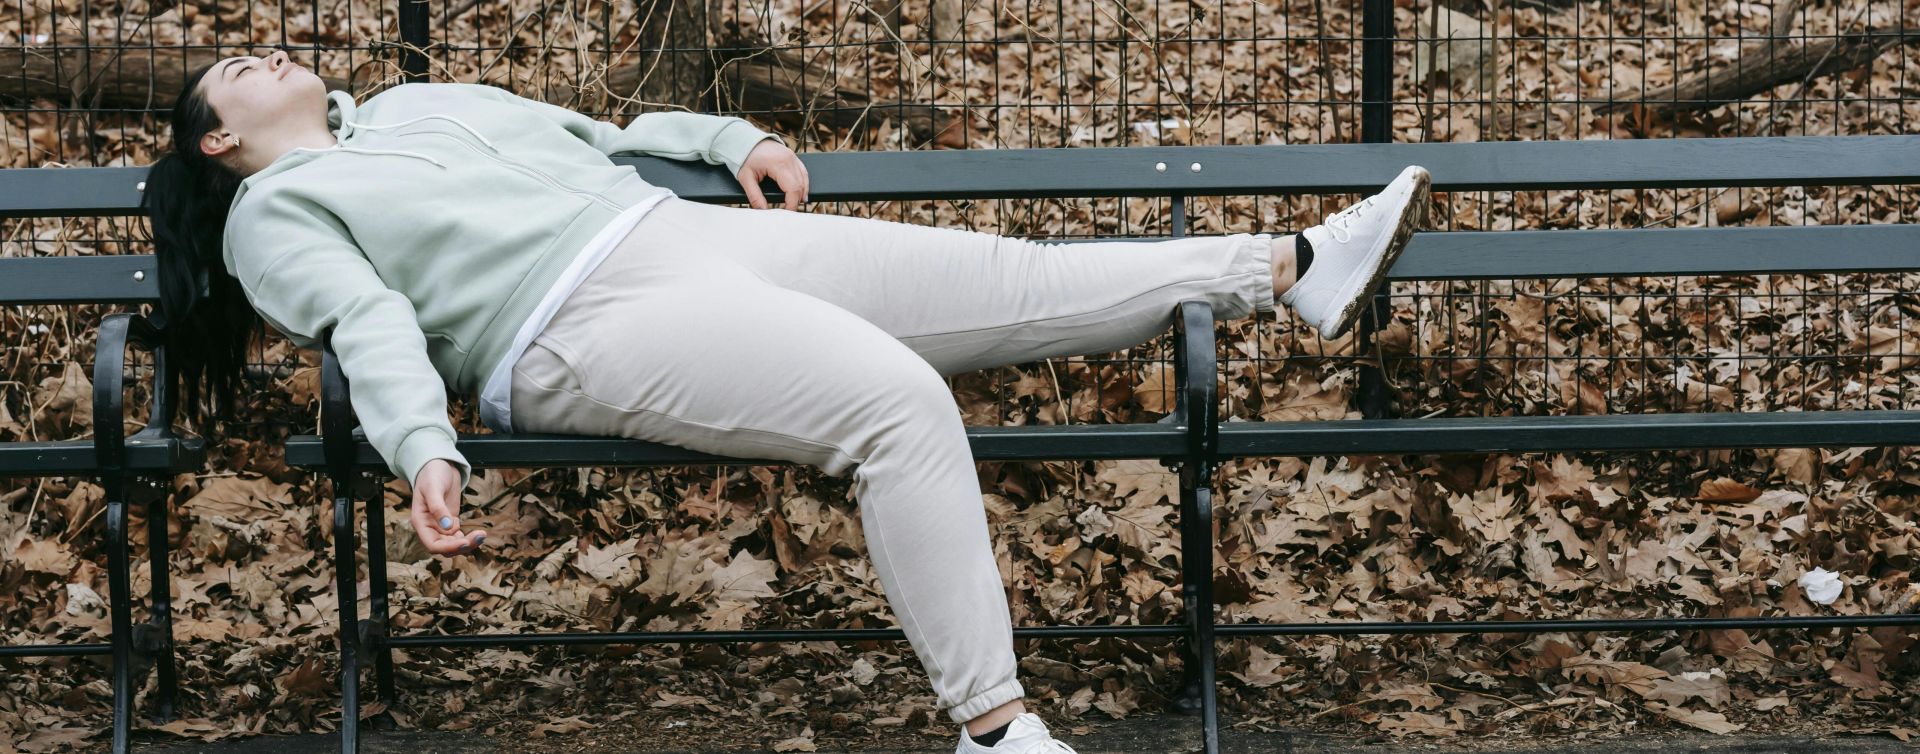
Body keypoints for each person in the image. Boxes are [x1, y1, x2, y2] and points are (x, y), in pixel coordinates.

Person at [141, 48, 1431, 754]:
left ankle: (1293, 271)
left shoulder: (425, 102)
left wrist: (724, 143)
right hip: (575, 324)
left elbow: (602, 131)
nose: (264, 49)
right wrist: (423, 446)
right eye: (233, 69)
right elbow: (366, 323)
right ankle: (998, 730)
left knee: (1015, 281)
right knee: (896, 405)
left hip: (676, 232)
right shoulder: (276, 210)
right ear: (219, 140)